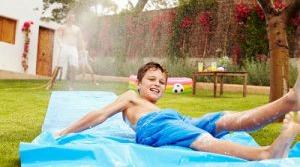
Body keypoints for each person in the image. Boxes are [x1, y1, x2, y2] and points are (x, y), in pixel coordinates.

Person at [55, 62, 300, 160]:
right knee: (200, 138)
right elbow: (99, 115)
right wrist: (65, 131)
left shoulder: (157, 107)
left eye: (161, 83)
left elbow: (175, 122)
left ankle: (289, 101)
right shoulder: (131, 97)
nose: (157, 84)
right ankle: (264, 154)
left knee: (222, 118)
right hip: (154, 126)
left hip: (175, 119)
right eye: (151, 79)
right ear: (138, 83)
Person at [56, 13, 83, 90]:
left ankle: (71, 86)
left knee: (74, 67)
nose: (71, 19)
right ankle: (51, 83)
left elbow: (80, 39)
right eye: (70, 17)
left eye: (73, 18)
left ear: (74, 19)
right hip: (65, 47)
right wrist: (61, 45)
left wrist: (82, 49)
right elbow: (58, 37)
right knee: (58, 66)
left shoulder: (77, 29)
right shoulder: (62, 27)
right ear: (67, 18)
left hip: (73, 49)